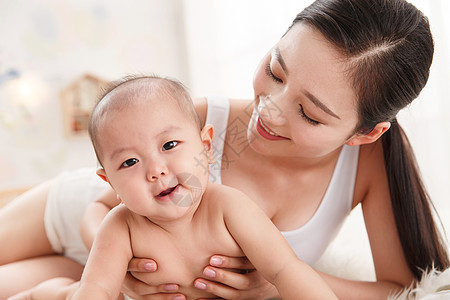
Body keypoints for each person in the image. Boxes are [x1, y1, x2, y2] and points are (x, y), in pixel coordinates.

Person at [0, 0, 448, 299]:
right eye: (275, 70)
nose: (269, 111)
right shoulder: (198, 120)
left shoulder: (368, 163)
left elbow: (397, 287)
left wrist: (273, 280)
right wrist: (129, 268)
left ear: (363, 133)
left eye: (309, 114)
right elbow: (98, 210)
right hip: (77, 223)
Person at [9, 75, 337, 300]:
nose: (156, 170)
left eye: (169, 145)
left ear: (207, 147)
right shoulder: (121, 226)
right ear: (111, 184)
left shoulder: (229, 208)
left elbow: (285, 270)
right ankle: (47, 291)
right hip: (59, 215)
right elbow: (98, 290)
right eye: (129, 163)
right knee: (73, 293)